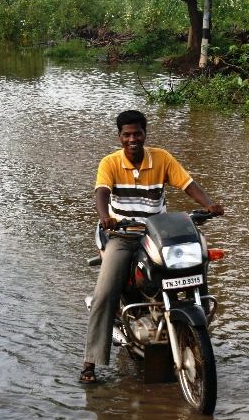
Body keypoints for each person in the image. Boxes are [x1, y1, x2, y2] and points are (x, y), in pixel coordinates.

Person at [80, 110, 224, 383]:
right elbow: (102, 193)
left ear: (145, 134)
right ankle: (91, 361)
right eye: (127, 134)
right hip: (123, 235)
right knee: (105, 292)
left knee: (196, 258)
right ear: (120, 136)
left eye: (137, 133)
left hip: (158, 231)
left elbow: (188, 184)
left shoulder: (161, 158)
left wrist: (208, 205)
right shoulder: (110, 163)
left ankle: (196, 326)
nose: (132, 139)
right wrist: (105, 217)